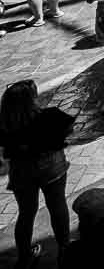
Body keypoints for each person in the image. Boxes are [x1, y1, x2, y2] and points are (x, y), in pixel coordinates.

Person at [0, 79, 74, 262]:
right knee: (57, 206)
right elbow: (69, 129)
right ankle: (64, 248)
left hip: (22, 171)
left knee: (26, 212)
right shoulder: (50, 116)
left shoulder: (5, 127)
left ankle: (24, 255)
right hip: (52, 167)